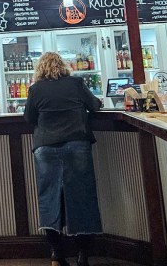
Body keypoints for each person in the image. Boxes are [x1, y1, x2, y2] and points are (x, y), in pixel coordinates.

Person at [23, 52, 103, 266]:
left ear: (40, 69)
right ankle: (82, 255)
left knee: (49, 198)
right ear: (63, 66)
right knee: (82, 198)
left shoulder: (36, 89)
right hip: (77, 144)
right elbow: (95, 106)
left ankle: (56, 255)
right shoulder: (76, 84)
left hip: (46, 147)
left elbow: (29, 117)